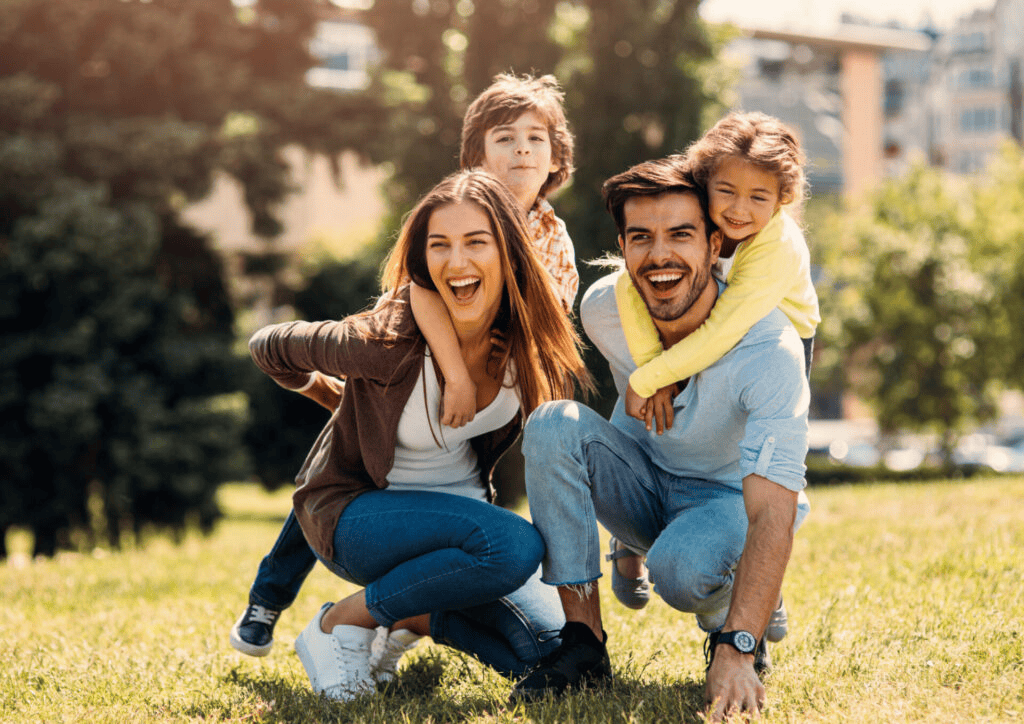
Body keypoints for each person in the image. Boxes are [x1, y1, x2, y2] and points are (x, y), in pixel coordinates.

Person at [230, 72, 580, 660]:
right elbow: (421, 289)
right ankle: (278, 598)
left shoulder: (552, 237)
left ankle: (403, 620)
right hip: (400, 372)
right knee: (338, 458)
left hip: (460, 438)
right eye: (505, 138)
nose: (522, 149)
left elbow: (550, 319)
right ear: (474, 159)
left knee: (539, 641)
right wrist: (456, 370)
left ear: (556, 158)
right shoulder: (451, 217)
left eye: (535, 139)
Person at [510, 157, 810, 722]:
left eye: (681, 234)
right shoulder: (604, 310)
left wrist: (737, 647)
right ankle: (582, 646)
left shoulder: (769, 349)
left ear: (716, 243)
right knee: (552, 422)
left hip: (728, 502)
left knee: (681, 568)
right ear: (622, 247)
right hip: (647, 482)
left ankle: (737, 610)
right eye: (641, 237)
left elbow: (773, 510)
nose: (660, 255)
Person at [608, 110, 820, 614]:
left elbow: (726, 329)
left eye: (759, 198)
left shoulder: (777, 248)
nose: (738, 210)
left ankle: (752, 572)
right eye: (725, 191)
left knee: (752, 467)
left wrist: (654, 375)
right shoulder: (696, 214)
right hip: (702, 332)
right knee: (640, 426)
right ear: (705, 183)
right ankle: (628, 539)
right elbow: (625, 283)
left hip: (768, 341)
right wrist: (652, 371)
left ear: (782, 200)